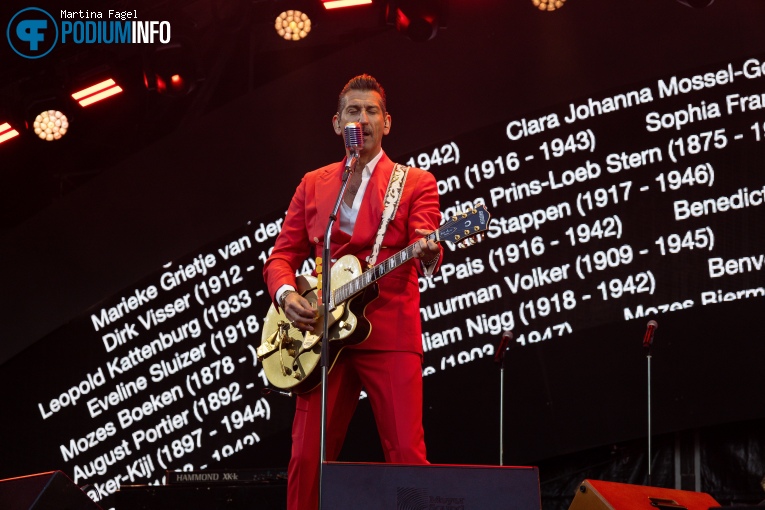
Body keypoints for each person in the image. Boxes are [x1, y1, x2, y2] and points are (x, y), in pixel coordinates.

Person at [262, 74, 443, 510]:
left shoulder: (416, 182)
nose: (362, 118)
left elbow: (426, 241)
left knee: (406, 456)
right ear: (337, 123)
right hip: (322, 335)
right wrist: (288, 296)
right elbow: (280, 257)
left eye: (371, 111)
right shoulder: (313, 183)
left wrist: (429, 247)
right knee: (307, 459)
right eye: (353, 111)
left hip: (389, 332)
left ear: (387, 122)